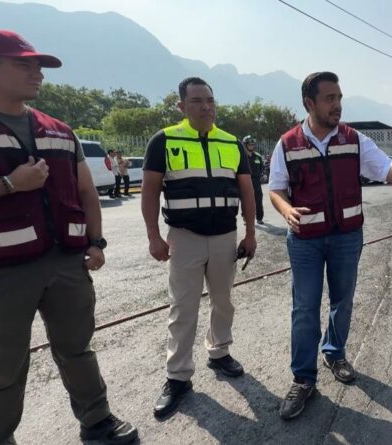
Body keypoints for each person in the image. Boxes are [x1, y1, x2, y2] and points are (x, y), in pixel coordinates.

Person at [0, 29, 137, 444]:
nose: (38, 74)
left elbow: (86, 192)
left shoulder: (60, 131)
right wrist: (10, 184)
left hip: (66, 263)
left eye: (39, 66)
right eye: (24, 65)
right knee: (3, 367)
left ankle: (97, 421)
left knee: (77, 349)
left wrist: (96, 242)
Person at [269, 71, 392, 420]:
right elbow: (276, 188)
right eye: (329, 99)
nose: (337, 105)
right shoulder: (287, 144)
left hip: (346, 237)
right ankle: (303, 379)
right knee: (304, 308)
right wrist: (287, 210)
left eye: (339, 97)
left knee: (343, 300)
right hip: (305, 241)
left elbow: (386, 169)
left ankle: (335, 353)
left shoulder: (353, 139)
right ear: (309, 103)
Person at [141, 77, 258, 418]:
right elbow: (149, 191)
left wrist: (250, 233)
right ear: (181, 106)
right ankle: (178, 376)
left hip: (224, 236)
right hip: (184, 237)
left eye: (210, 100)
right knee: (183, 308)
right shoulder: (164, 140)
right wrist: (153, 236)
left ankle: (219, 352)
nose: (206, 107)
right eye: (196, 101)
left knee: (224, 301)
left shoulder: (231, 143)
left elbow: (247, 191)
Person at [243, 135, 264, 224]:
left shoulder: (258, 156)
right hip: (246, 182)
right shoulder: (242, 156)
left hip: (256, 183)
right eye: (249, 144)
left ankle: (259, 218)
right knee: (246, 201)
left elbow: (262, 168)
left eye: (252, 144)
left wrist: (261, 175)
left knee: (258, 200)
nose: (251, 146)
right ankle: (246, 218)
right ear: (245, 145)